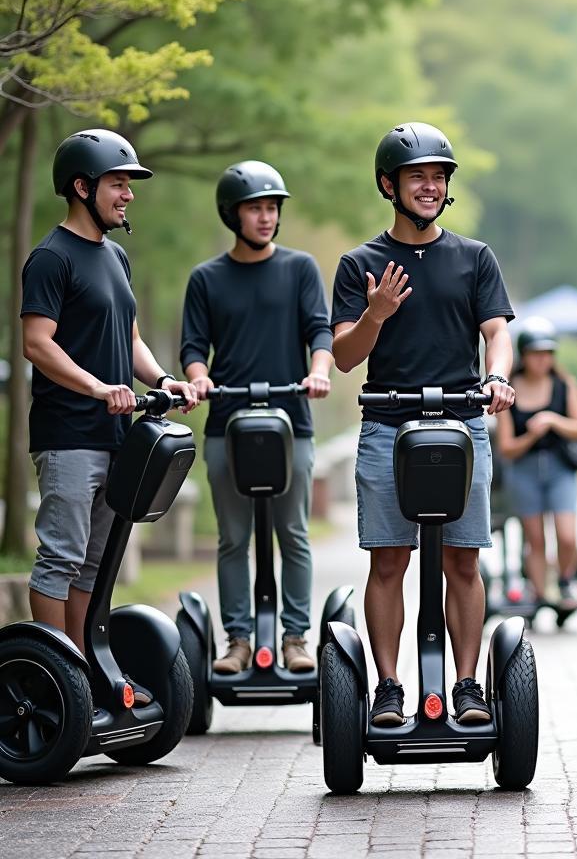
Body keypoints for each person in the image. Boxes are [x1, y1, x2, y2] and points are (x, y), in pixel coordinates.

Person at [331, 121, 515, 728]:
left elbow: (497, 332)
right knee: (389, 562)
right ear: (389, 184)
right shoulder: (360, 263)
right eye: (418, 177)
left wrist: (497, 377)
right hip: (387, 425)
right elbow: (345, 355)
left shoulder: (474, 257)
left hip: (463, 425)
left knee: (463, 562)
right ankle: (388, 688)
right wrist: (376, 314)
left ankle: (465, 685)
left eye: (439, 176)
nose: (430, 186)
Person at [21, 129, 197, 678]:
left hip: (116, 436)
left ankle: (88, 676)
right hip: (69, 435)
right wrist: (98, 387)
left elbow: (133, 340)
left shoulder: (116, 257)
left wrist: (165, 380)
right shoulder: (51, 258)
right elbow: (36, 342)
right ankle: (56, 677)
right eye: (118, 183)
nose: (128, 194)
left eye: (129, 184)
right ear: (81, 186)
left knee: (95, 565)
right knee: (61, 560)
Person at [180, 161, 333, 675]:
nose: (266, 217)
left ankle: (295, 638)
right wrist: (199, 378)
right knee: (233, 538)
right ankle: (238, 641)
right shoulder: (207, 278)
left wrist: (318, 372)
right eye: (255, 208)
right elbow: (194, 346)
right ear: (233, 214)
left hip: (292, 419)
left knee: (293, 532)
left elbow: (320, 331)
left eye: (272, 208)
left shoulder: (300, 269)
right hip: (227, 423)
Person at [495, 316, 577, 608]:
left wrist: (552, 421)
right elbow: (507, 447)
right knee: (535, 539)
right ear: (524, 355)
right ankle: (540, 595)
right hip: (524, 469)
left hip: (560, 467)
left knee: (567, 534)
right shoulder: (508, 390)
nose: (542, 360)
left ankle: (565, 579)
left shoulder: (564, 385)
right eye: (537, 354)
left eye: (548, 354)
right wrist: (531, 437)